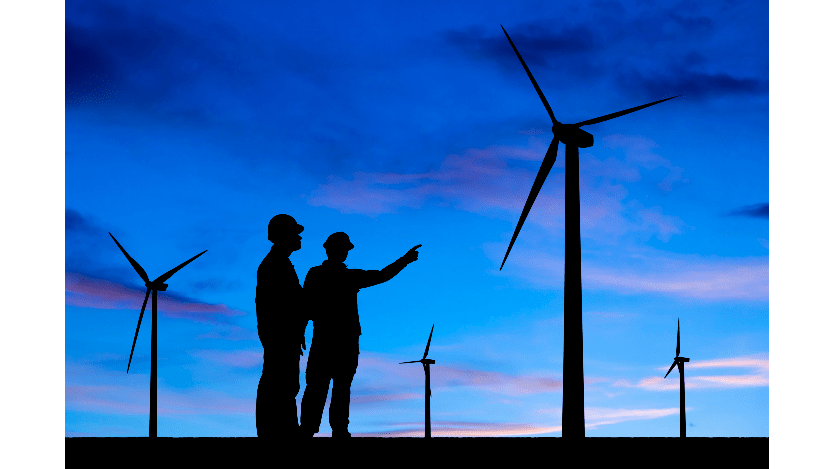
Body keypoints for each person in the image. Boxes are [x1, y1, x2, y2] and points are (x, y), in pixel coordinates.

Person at [299, 232, 421, 437]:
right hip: (337, 340)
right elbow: (305, 305)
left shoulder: (322, 274)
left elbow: (305, 306)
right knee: (330, 387)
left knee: (327, 387)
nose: (345, 252)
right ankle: (325, 430)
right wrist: (405, 260)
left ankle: (321, 429)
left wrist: (301, 328)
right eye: (343, 249)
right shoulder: (340, 276)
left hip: (330, 340)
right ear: (332, 250)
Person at [255, 214, 308, 439]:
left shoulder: (281, 263)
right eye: (294, 233)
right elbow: (274, 304)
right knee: (279, 384)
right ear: (283, 235)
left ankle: (284, 429)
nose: (299, 237)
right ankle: (276, 432)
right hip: (280, 335)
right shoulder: (275, 265)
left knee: (285, 384)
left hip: (285, 334)